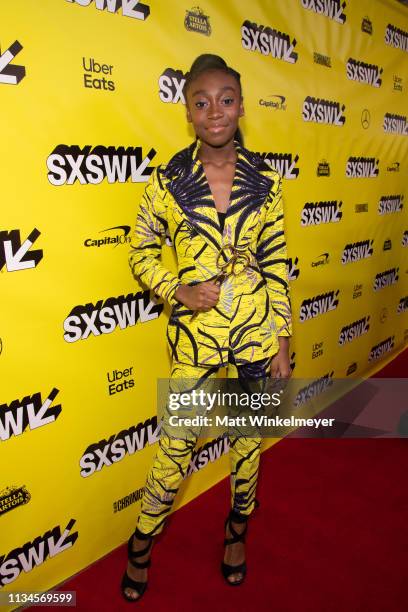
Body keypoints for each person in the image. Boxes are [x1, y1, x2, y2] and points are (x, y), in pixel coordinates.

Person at [121, 54, 292, 601]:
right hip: (195, 339)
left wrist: (283, 339)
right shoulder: (167, 181)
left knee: (246, 442)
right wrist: (177, 290)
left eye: (225, 99)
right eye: (201, 102)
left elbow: (277, 261)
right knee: (176, 446)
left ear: (241, 106)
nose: (214, 111)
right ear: (188, 112)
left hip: (255, 335)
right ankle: (142, 541)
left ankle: (237, 532)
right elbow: (140, 248)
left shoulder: (266, 182)